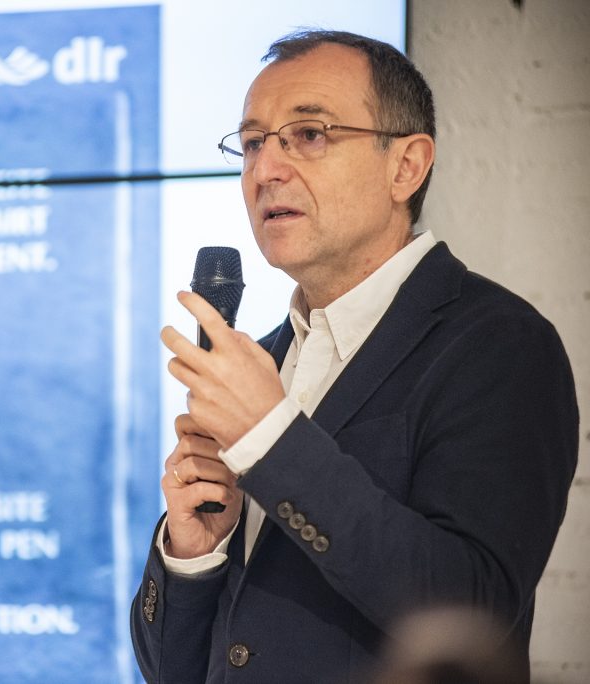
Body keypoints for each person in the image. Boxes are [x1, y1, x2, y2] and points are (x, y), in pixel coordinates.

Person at [130, 29, 578, 683]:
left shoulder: (499, 345)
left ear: (407, 166)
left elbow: (469, 616)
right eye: (252, 142)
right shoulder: (266, 357)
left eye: (309, 134)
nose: (265, 169)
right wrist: (196, 553)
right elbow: (176, 670)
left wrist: (272, 440)